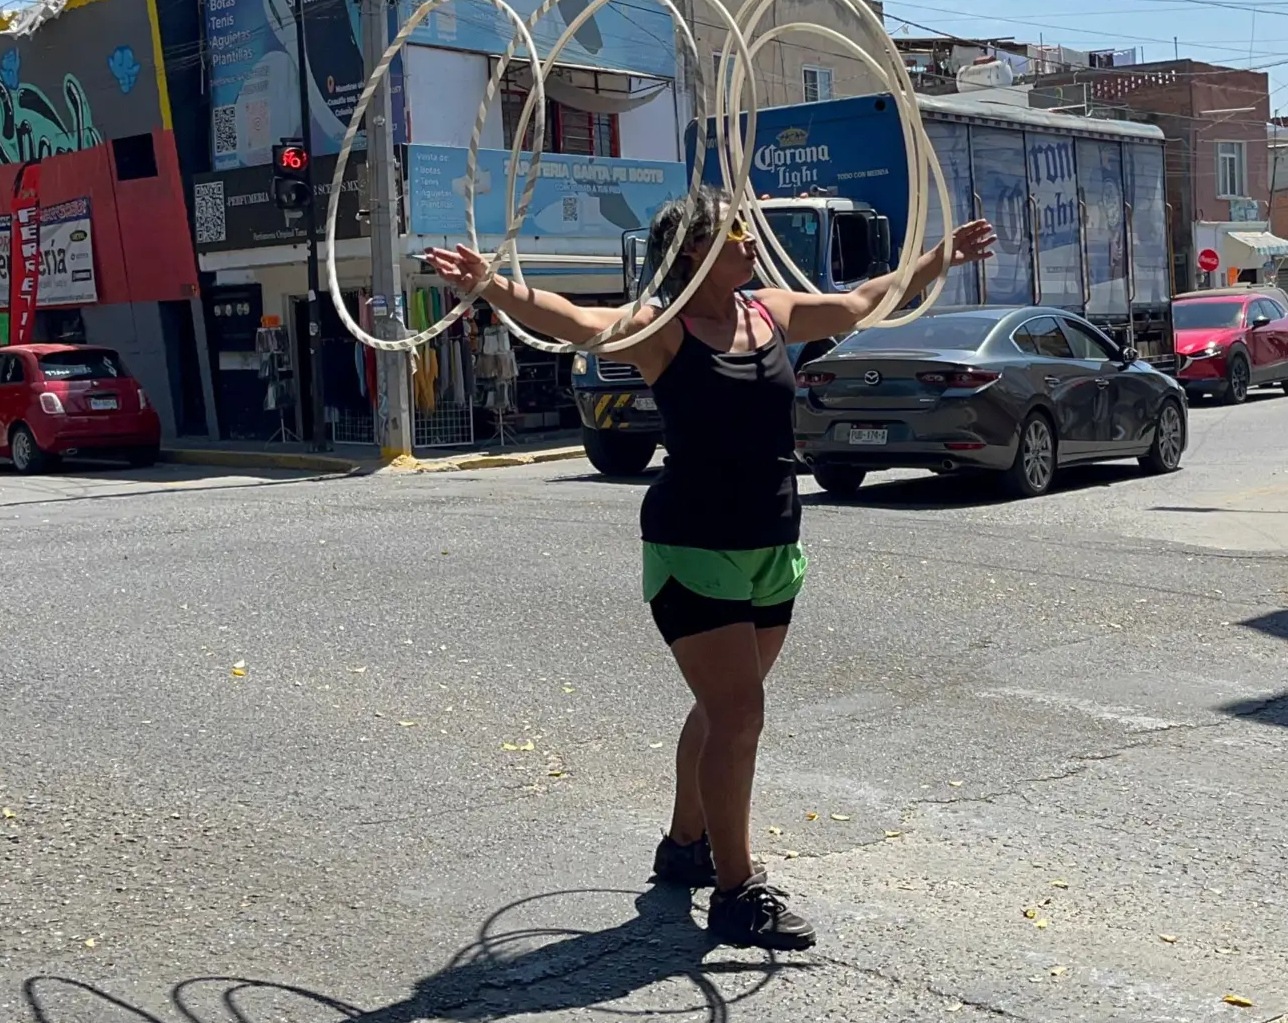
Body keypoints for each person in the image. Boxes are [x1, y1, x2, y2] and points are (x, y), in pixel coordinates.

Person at [424, 191, 994, 949]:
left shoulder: (771, 313)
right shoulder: (662, 328)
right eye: (735, 231)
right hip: (693, 543)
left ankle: (684, 845)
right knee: (739, 714)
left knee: (725, 708)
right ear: (694, 249)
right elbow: (576, 321)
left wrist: (938, 257)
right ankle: (736, 891)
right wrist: (494, 286)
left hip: (772, 541)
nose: (749, 241)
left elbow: (861, 301)